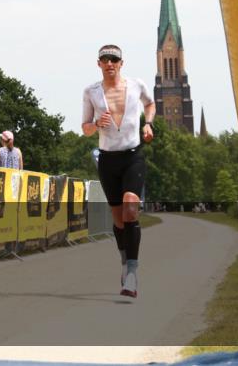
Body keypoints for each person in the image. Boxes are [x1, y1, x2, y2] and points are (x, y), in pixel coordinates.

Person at [81, 44, 154, 298]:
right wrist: (94, 124)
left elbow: (150, 104)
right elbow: (85, 128)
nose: (109, 63)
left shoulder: (136, 85)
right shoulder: (91, 92)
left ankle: (132, 274)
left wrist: (148, 125)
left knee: (131, 209)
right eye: (105, 59)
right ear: (99, 64)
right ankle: (125, 262)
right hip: (108, 159)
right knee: (118, 218)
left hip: (133, 155)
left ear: (121, 63)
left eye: (114, 59)